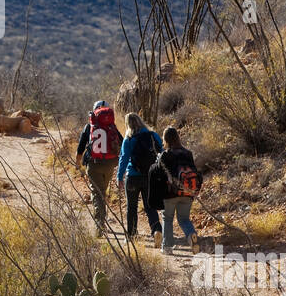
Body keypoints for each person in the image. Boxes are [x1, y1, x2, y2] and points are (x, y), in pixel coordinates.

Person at [150, 127, 201, 252]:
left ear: (166, 139)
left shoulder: (166, 155)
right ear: (178, 137)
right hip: (187, 192)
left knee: (167, 218)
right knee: (184, 218)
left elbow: (157, 173)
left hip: (170, 194)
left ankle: (167, 247)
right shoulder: (188, 153)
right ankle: (191, 236)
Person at [116, 113, 163, 247]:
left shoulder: (128, 139)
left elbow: (124, 159)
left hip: (132, 178)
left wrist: (119, 177)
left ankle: (131, 235)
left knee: (131, 207)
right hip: (149, 177)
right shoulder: (153, 135)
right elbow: (161, 152)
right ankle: (156, 230)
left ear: (128, 124)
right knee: (150, 206)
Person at [75, 100, 121, 230]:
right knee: (103, 192)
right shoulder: (112, 127)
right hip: (110, 164)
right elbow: (122, 142)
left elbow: (80, 147)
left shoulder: (89, 127)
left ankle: (99, 224)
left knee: (97, 192)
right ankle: (102, 218)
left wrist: (77, 163)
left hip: (94, 164)